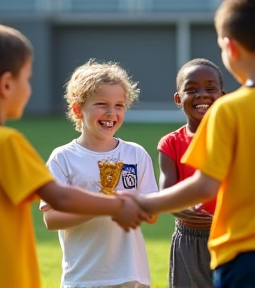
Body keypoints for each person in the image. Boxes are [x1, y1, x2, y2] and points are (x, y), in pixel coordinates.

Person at [0, 18, 149, 288]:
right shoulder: (5, 143)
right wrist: (116, 203)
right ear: (6, 85)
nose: (29, 89)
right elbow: (60, 199)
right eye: (27, 79)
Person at [135, 0, 255, 287]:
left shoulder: (231, 109)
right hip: (194, 240)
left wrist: (141, 202)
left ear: (230, 47)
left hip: (239, 250)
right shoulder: (176, 140)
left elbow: (204, 186)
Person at [39, 59, 158, 288]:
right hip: (83, 278)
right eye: (102, 104)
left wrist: (139, 207)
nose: (111, 113)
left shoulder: (136, 154)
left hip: (132, 277)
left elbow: (151, 214)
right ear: (77, 109)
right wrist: (102, 204)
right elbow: (51, 220)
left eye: (119, 105)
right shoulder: (63, 158)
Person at [158, 58, 225, 288]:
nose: (202, 95)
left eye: (210, 88)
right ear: (178, 99)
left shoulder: (234, 139)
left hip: (228, 235)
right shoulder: (170, 143)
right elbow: (166, 191)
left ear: (223, 96)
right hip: (188, 239)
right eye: (191, 89)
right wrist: (181, 209)